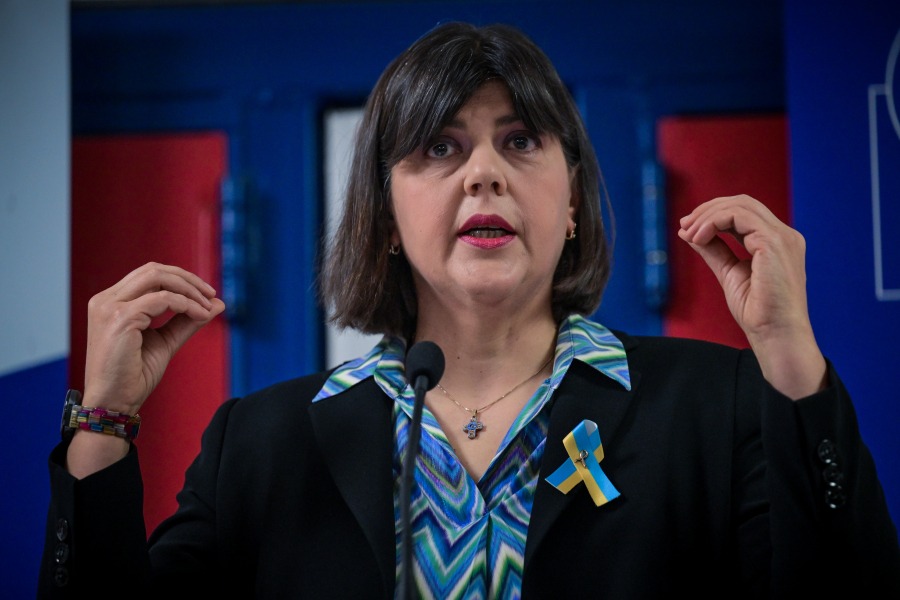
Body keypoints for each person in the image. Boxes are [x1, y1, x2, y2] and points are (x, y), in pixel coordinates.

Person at [39, 21, 899, 599]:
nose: (484, 171)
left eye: (520, 140)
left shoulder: (720, 403)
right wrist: (104, 423)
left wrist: (791, 359)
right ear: (385, 216)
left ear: (571, 203)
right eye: (440, 147)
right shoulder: (261, 444)